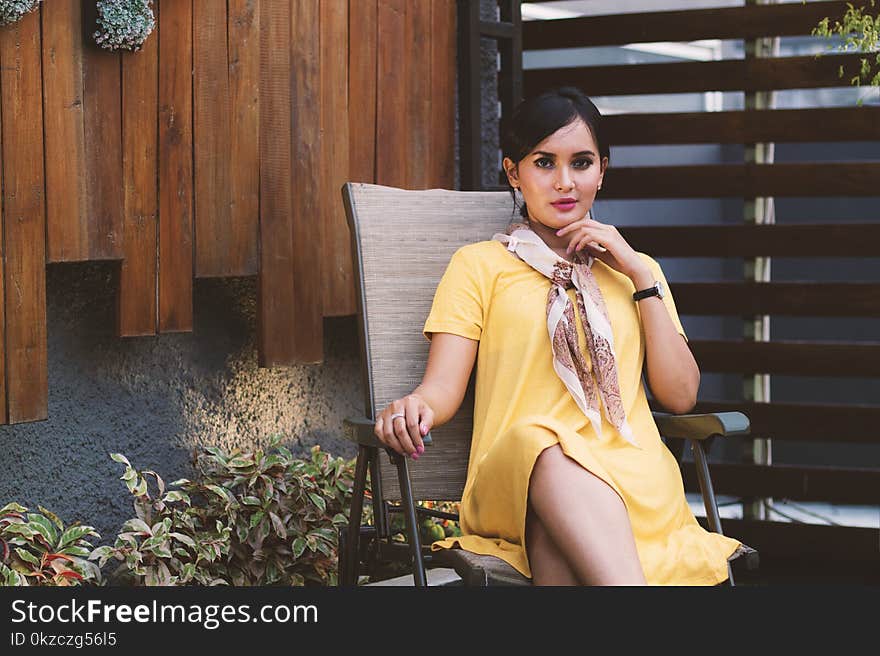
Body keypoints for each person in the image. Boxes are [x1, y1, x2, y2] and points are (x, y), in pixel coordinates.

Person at [373, 86, 744, 585]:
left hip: (629, 483)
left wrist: (638, 276)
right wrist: (414, 405)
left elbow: (680, 396)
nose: (564, 182)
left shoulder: (639, 273)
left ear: (602, 170)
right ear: (514, 173)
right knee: (544, 444)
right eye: (544, 163)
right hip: (518, 471)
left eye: (582, 163)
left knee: (553, 545)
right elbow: (441, 389)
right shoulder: (479, 266)